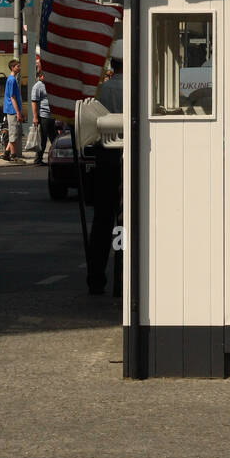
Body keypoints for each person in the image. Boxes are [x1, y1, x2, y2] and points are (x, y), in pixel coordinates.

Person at [87, 43, 124, 296]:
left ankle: (95, 278)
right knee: (124, 222)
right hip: (128, 158)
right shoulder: (139, 86)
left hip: (105, 158)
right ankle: (122, 282)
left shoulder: (103, 90)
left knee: (102, 222)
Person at [30, 68, 57, 166]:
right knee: (43, 139)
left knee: (55, 139)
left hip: (51, 116)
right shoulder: (37, 86)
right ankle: (38, 160)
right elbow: (34, 102)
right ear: (41, 76)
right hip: (43, 116)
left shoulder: (49, 85)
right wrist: (35, 117)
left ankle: (56, 157)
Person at [2, 58, 23, 162]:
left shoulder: (12, 79)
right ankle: (13, 156)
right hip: (12, 110)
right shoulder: (11, 80)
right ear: (12, 68)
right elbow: (12, 97)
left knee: (15, 132)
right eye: (17, 66)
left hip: (12, 109)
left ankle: (6, 153)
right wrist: (18, 112)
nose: (19, 67)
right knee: (13, 133)